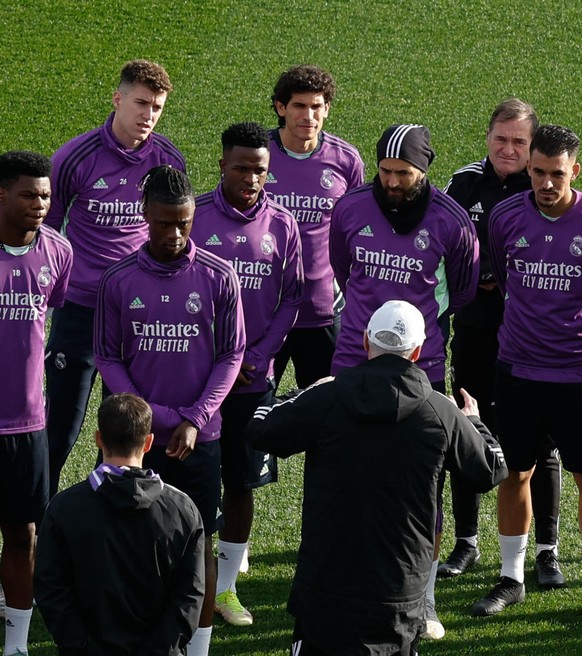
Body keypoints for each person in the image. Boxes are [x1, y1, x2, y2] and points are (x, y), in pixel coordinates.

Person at [246, 300, 507, 656]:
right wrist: (474, 421)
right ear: (416, 352)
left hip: (326, 586)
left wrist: (305, 391)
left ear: (366, 342)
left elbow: (260, 428)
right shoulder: (441, 411)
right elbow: (492, 469)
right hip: (400, 593)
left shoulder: (328, 396)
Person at [329, 124, 478, 637]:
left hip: (423, 370)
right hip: (353, 361)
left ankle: (425, 597)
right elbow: (343, 269)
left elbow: (460, 294)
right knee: (345, 475)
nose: (392, 182)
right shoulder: (349, 210)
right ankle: (343, 585)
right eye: (386, 171)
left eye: (404, 173)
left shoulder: (453, 223)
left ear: (425, 170)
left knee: (422, 489)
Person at [94, 166, 245, 656]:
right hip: (135, 440)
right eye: (164, 223)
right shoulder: (118, 280)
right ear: (145, 216)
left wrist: (195, 419)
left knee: (198, 542)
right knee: (125, 541)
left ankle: (198, 646)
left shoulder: (220, 277)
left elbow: (231, 355)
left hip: (197, 438)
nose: (175, 233)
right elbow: (108, 356)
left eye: (183, 222)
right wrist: (149, 420)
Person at [473, 124, 582, 628]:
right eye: (538, 172)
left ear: (575, 171)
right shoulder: (505, 215)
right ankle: (511, 578)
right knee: (514, 473)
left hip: (580, 370)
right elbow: (509, 277)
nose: (546, 183)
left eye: (557, 174)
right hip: (517, 367)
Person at [44, 60, 186, 495]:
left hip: (136, 312)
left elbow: (176, 230)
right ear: (118, 99)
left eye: (158, 107)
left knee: (125, 428)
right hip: (80, 310)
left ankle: (111, 512)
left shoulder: (167, 160)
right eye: (141, 103)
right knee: (61, 426)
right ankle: (38, 525)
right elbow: (46, 229)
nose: (148, 115)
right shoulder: (76, 157)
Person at [439, 99, 564, 587]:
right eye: (500, 139)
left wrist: (499, 274)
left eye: (519, 142)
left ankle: (547, 551)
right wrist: (482, 274)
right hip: (474, 331)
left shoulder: (545, 185)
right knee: (465, 432)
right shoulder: (463, 183)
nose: (508, 150)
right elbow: (443, 244)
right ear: (487, 136)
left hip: (533, 339)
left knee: (541, 444)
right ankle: (467, 542)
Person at [191, 122, 303, 626]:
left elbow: (292, 297)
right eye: (241, 168)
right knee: (185, 482)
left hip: (253, 376)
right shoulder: (194, 216)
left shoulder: (283, 225)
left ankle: (228, 590)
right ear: (221, 165)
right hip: (196, 376)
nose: (251, 178)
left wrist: (257, 356)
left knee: (239, 481)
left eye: (260, 170)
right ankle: (180, 582)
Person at [35, 394, 205, 656]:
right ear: (149, 442)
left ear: (98, 439)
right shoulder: (184, 510)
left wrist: (84, 647)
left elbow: (51, 591)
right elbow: (189, 597)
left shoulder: (63, 508)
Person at [0, 151, 72, 656]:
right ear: (1, 194)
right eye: (29, 194)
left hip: (28, 423)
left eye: (45, 195)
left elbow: (51, 314)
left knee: (24, 532)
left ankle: (17, 644)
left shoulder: (59, 253)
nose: (40, 204)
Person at [267, 64, 365, 389]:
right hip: (264, 310)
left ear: (327, 110)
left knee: (328, 412)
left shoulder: (346, 161)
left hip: (323, 308)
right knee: (250, 409)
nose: (308, 115)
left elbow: (356, 232)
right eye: (299, 105)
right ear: (281, 108)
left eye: (316, 106)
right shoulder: (257, 156)